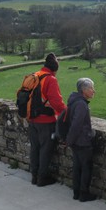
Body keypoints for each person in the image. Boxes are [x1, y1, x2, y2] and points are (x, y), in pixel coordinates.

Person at [28, 53, 66, 186]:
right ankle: (42, 178)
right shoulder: (50, 79)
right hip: (46, 121)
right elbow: (57, 103)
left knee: (35, 148)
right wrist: (67, 113)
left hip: (32, 119)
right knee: (45, 149)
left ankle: (34, 176)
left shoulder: (35, 75)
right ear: (54, 69)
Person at [65, 78, 97, 202]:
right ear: (84, 90)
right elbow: (77, 125)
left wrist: (70, 141)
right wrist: (70, 140)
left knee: (77, 167)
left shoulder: (74, 101)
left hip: (76, 142)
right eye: (91, 88)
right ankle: (84, 194)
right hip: (82, 141)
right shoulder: (81, 104)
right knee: (86, 168)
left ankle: (76, 192)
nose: (93, 91)